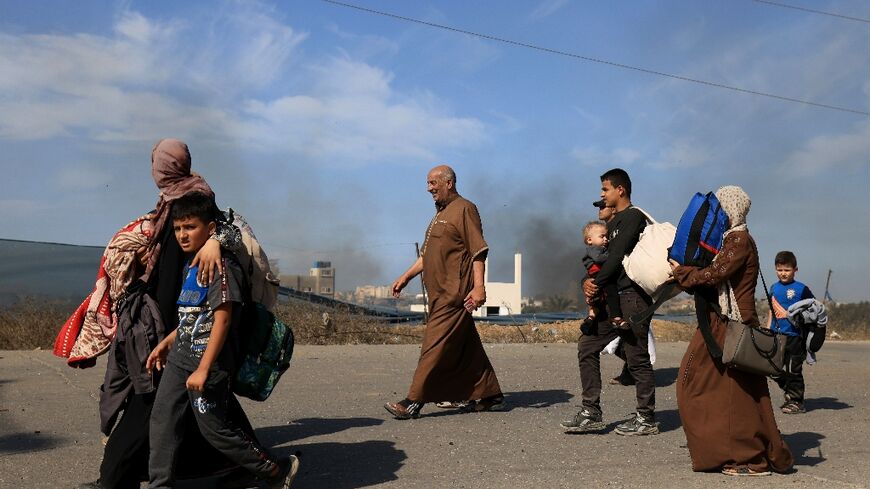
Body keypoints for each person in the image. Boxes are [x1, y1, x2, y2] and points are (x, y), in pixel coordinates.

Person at [64, 139, 252, 489]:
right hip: (176, 323)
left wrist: (214, 242)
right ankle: (242, 461)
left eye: (157, 163)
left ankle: (114, 478)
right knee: (198, 404)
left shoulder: (192, 202)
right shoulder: (177, 200)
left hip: (173, 320)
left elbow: (227, 233)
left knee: (149, 401)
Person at [146, 192, 298, 488]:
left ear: (211, 228)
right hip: (180, 357)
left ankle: (275, 469)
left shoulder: (222, 266)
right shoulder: (191, 264)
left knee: (214, 429)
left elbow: (223, 319)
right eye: (178, 229)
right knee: (162, 420)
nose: (182, 235)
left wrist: (204, 368)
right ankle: (159, 484)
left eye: (189, 227)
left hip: (210, 361)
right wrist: (168, 342)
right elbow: (193, 316)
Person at [669, 186, 793, 476]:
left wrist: (681, 273)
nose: (715, 213)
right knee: (733, 393)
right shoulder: (733, 239)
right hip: (724, 323)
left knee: (734, 395)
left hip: (733, 325)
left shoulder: (739, 240)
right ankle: (743, 453)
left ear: (731, 210)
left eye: (720, 208)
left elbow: (715, 274)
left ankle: (750, 458)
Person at [385, 165, 504, 419]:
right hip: (437, 294)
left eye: (432, 183)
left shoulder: (464, 209)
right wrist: (405, 277)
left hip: (454, 294)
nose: (429, 188)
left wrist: (479, 286)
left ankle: (413, 401)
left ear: (448, 183)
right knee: (465, 346)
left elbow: (478, 251)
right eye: (428, 184)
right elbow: (427, 256)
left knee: (433, 344)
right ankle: (491, 394)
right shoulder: (440, 214)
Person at [561, 168, 658, 436]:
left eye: (605, 190)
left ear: (620, 190)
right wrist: (587, 280)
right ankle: (591, 412)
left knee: (637, 358)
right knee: (587, 346)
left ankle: (646, 418)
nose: (602, 195)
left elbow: (614, 259)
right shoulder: (611, 224)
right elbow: (600, 261)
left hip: (632, 297)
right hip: (612, 298)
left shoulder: (633, 217)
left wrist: (596, 282)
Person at [767, 250, 815, 414]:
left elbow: (814, 309)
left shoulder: (801, 289)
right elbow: (770, 310)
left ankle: (796, 401)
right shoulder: (773, 288)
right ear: (775, 269)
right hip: (776, 335)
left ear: (795, 269)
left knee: (794, 369)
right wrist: (768, 329)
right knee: (772, 368)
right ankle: (790, 389)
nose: (783, 273)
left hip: (795, 336)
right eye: (780, 270)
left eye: (787, 270)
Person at [578, 219, 623, 336]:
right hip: (598, 276)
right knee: (612, 292)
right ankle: (616, 317)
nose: (605, 239)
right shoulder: (595, 250)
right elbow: (599, 259)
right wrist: (613, 256)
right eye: (602, 236)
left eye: (606, 237)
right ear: (589, 240)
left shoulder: (597, 249)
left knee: (595, 301)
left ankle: (591, 318)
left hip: (596, 277)